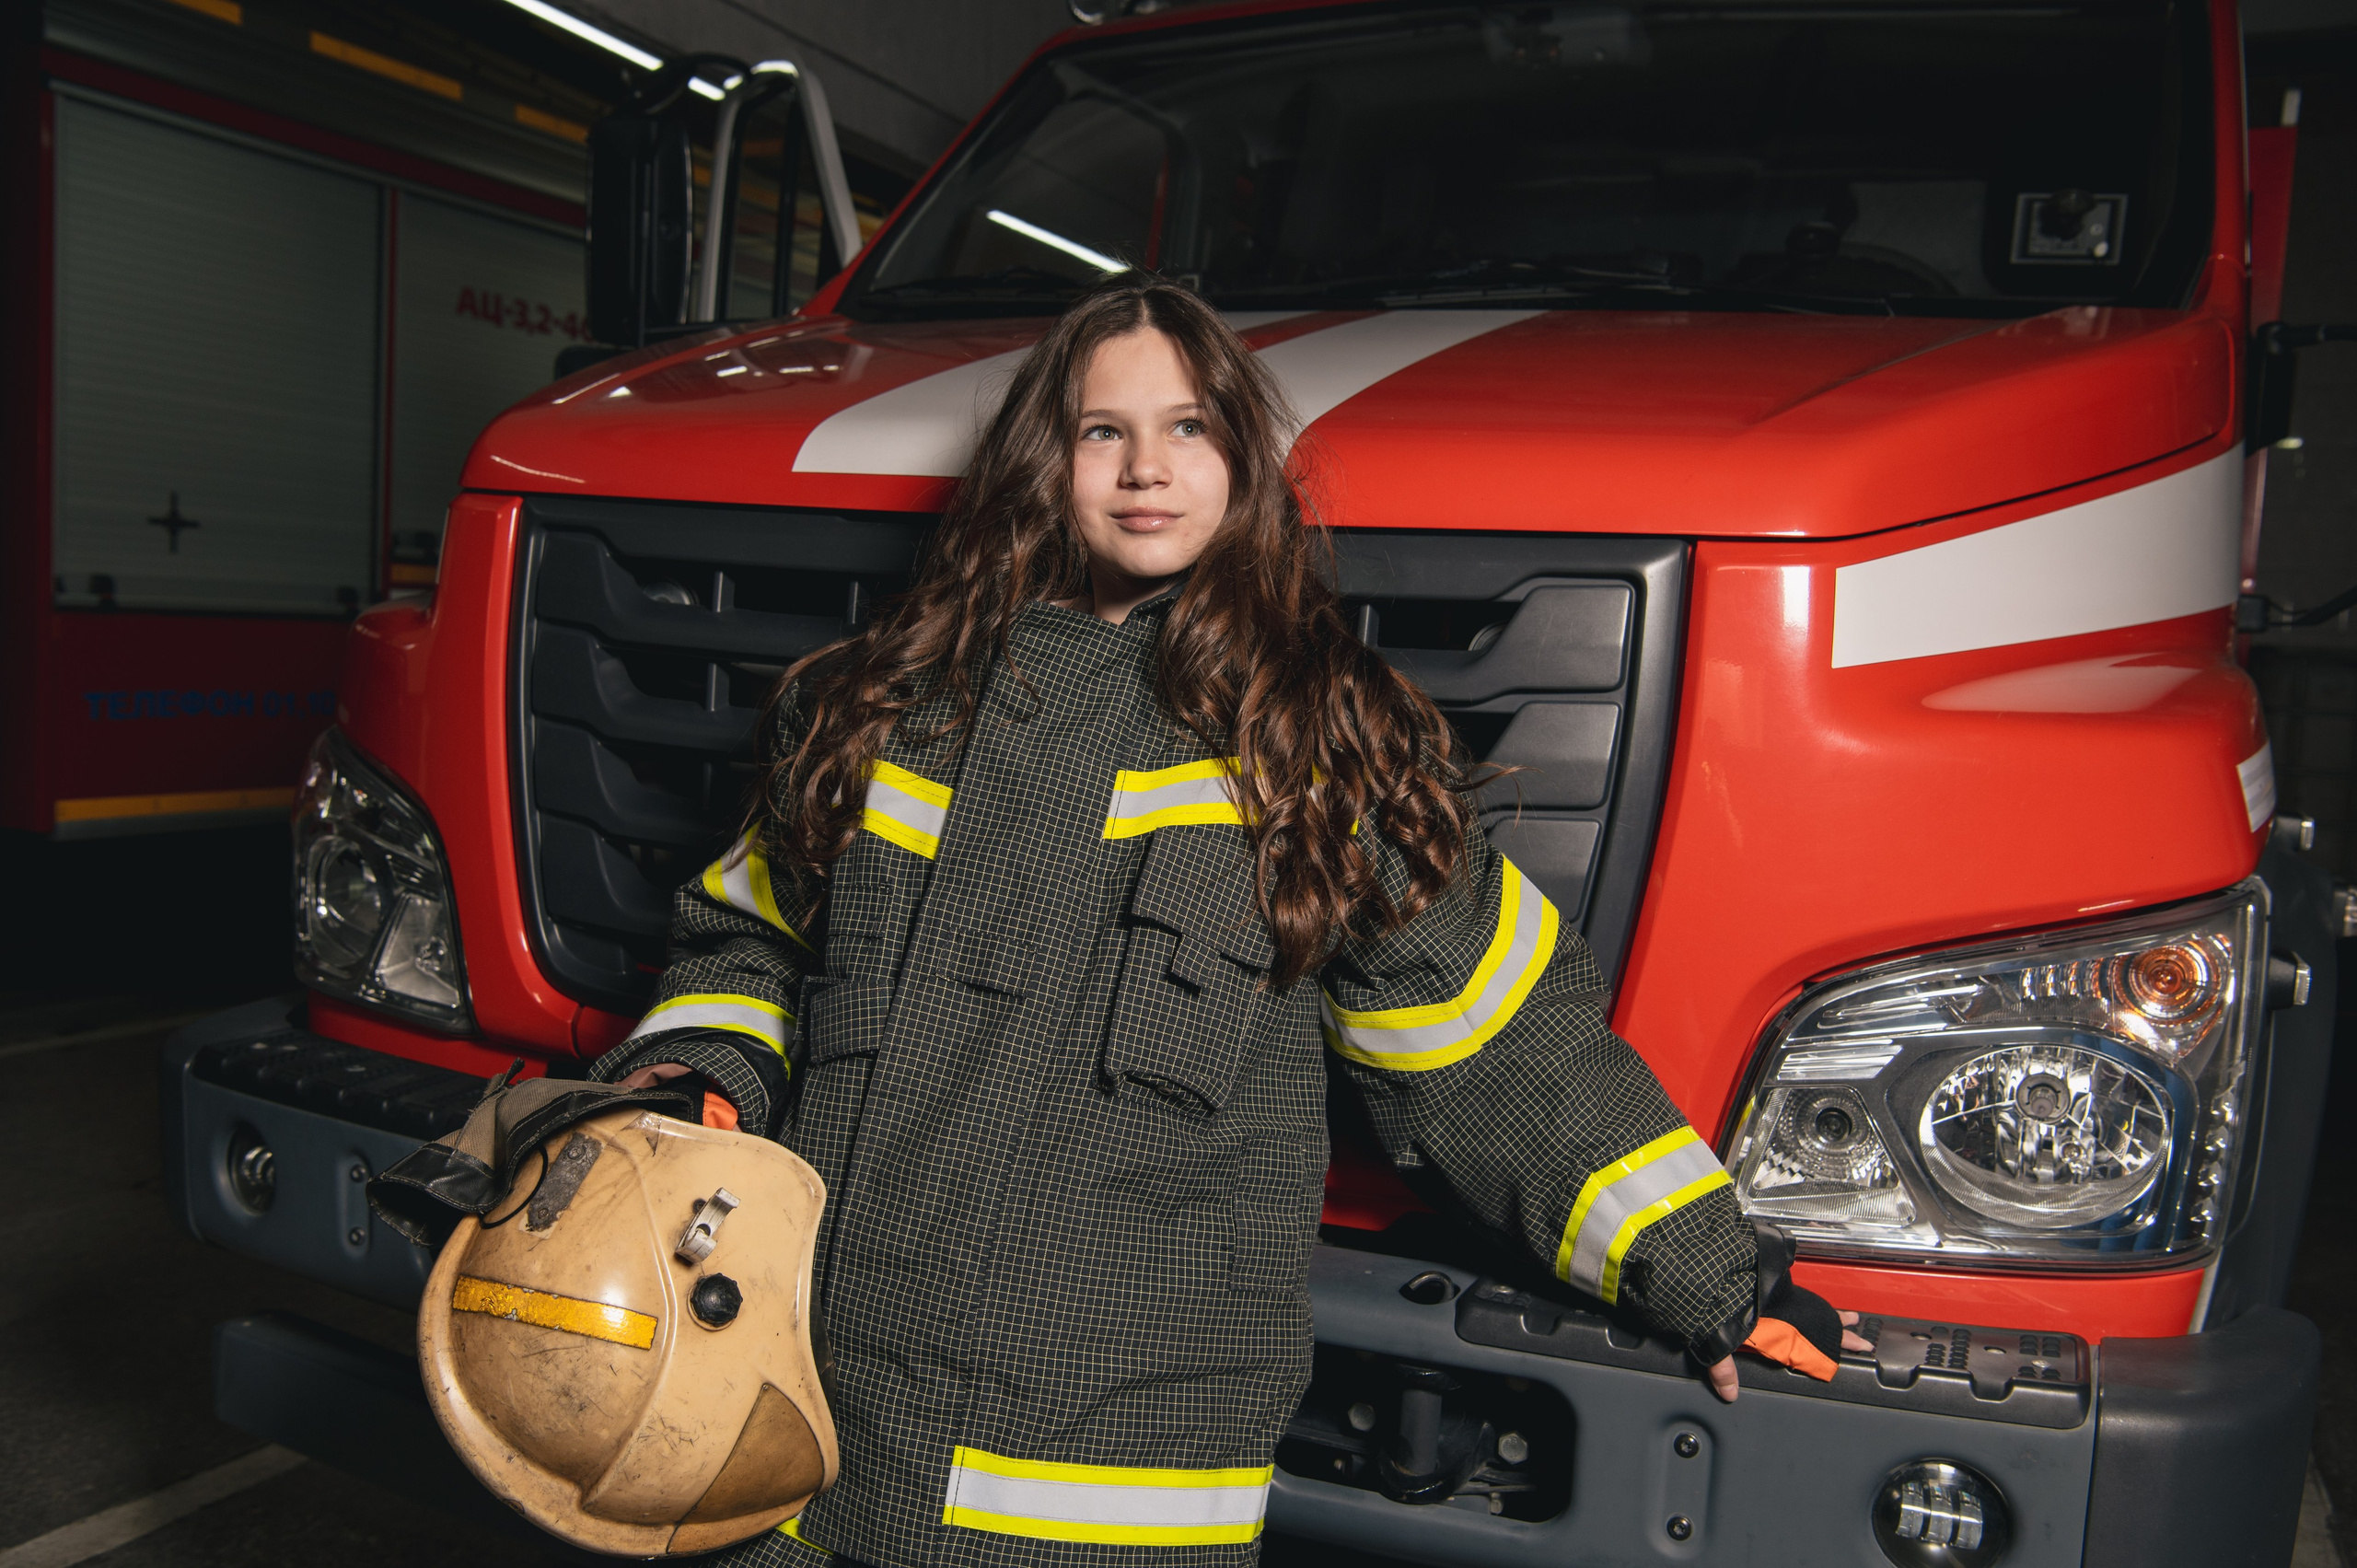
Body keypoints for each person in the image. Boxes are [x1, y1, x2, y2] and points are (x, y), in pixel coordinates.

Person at [591, 275, 1864, 1567]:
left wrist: (1705, 1274)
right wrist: (697, 1077)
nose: (1148, 467)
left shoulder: (1324, 747)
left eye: (1190, 427)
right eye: (1104, 431)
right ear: (1046, 458)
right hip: (789, 1444)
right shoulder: (884, 715)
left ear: (1245, 460)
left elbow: (1494, 1050)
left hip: (1093, 1499)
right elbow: (748, 945)